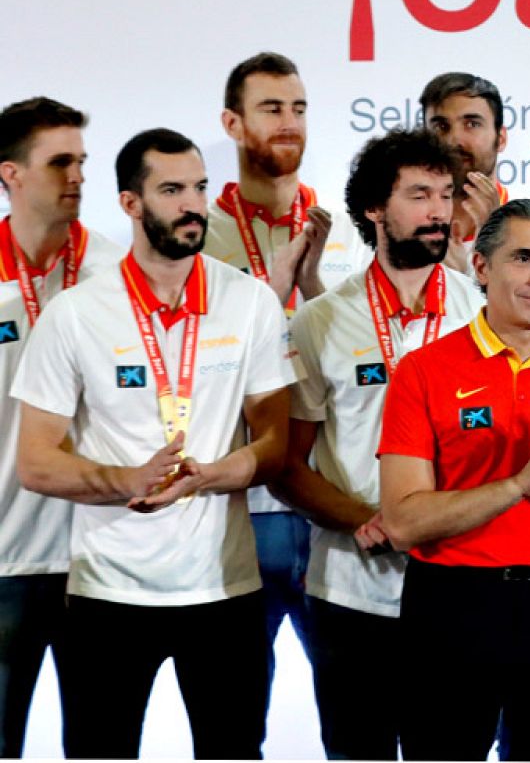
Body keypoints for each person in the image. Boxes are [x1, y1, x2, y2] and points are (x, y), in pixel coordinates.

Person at [13, 127, 296, 758]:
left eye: (198, 187)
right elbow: (35, 461)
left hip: (226, 591)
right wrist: (126, 482)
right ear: (131, 203)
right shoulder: (77, 313)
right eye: (171, 190)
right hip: (108, 593)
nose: (192, 204)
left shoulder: (248, 302)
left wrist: (214, 473)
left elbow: (277, 445)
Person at [377, 199, 530, 761]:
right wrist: (516, 486)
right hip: (450, 606)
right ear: (482, 267)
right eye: (523, 258)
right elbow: (401, 521)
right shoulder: (424, 370)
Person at [272, 128, 481, 759]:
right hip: (351, 594)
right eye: (419, 195)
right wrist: (367, 520)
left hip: (460, 591)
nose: (438, 211)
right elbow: (286, 464)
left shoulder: (480, 313)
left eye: (445, 195)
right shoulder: (320, 321)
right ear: (373, 208)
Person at [208, 51, 372, 700]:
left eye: (298, 108)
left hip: (326, 506)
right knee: (232, 721)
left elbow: (367, 364)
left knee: (355, 716)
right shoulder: (198, 237)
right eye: (271, 108)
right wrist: (268, 298)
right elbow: (191, 381)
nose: (289, 123)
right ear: (232, 122)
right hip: (235, 516)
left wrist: (315, 291)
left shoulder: (349, 232)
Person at [0, 98, 122, 756]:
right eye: (59, 162)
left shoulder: (115, 275)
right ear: (11, 174)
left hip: (98, 559)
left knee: (101, 747)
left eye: (81, 161)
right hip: (3, 559)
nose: (77, 176)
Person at [419, 72, 510, 272]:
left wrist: (461, 283)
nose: (454, 140)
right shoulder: (399, 228)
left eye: (472, 124)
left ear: (501, 139)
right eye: (441, 126)